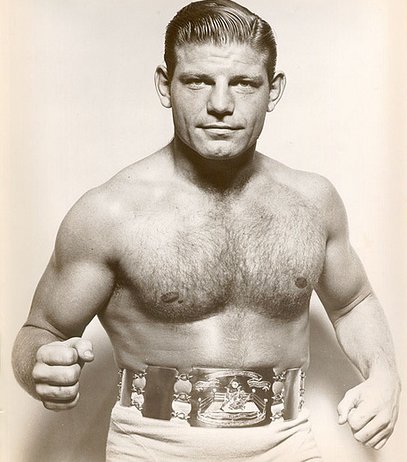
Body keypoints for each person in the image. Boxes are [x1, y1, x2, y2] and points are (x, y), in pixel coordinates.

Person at [12, 1, 401, 461]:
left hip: (287, 444)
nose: (220, 104)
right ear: (165, 85)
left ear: (272, 89)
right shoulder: (110, 212)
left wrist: (385, 375)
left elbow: (354, 302)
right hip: (153, 449)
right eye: (198, 81)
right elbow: (41, 330)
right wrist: (40, 366)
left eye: (244, 83)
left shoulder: (312, 202)